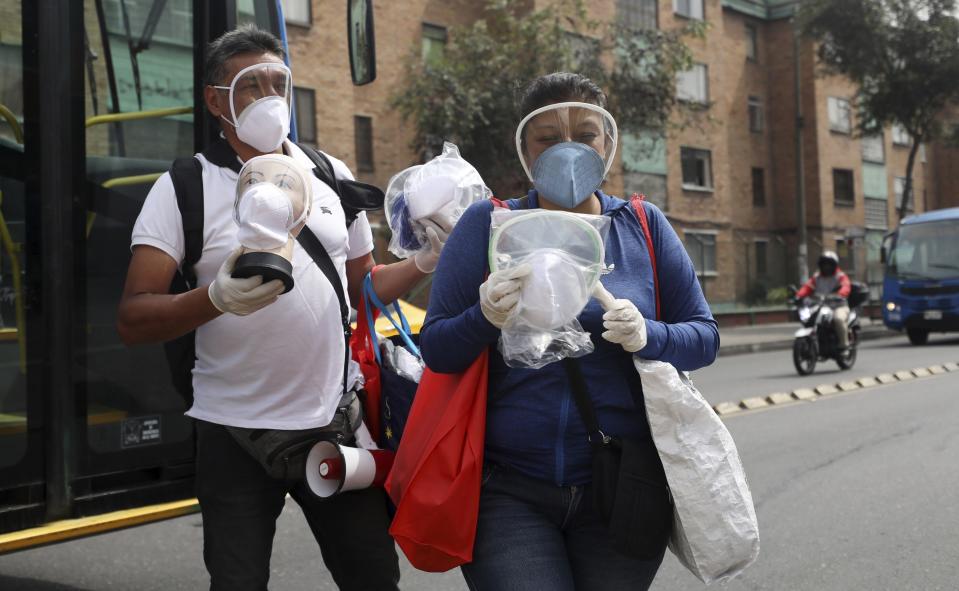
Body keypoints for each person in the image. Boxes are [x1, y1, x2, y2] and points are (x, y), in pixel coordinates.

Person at [117, 25, 449, 591]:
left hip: (335, 424)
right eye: (251, 86)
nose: (270, 98)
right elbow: (133, 317)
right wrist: (214, 297)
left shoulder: (329, 175)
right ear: (215, 100)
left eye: (279, 83)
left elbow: (364, 289)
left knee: (372, 577)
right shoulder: (184, 187)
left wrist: (427, 258)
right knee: (238, 581)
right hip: (233, 434)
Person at [418, 72, 719, 591]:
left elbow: (705, 338)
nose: (568, 149)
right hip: (507, 491)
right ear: (525, 150)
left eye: (585, 135)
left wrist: (649, 334)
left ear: (608, 144)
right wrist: (483, 318)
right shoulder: (487, 227)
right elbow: (438, 350)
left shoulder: (643, 227)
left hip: (622, 491)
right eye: (549, 138)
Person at [795, 250, 852, 350]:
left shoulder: (840, 276)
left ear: (834, 265)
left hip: (839, 305)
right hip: (821, 305)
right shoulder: (817, 277)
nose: (827, 267)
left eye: (829, 264)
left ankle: (844, 345)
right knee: (810, 317)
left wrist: (841, 293)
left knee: (838, 319)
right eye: (824, 264)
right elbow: (807, 287)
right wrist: (799, 295)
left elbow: (846, 286)